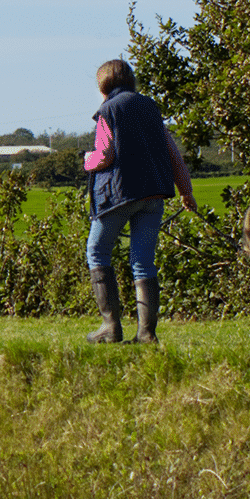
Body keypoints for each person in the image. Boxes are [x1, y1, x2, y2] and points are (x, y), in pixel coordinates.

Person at [83, 58, 197, 343]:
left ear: (103, 85)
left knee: (97, 252)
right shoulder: (150, 108)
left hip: (117, 195)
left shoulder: (108, 110)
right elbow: (173, 153)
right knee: (143, 263)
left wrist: (88, 160)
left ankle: (110, 327)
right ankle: (146, 334)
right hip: (154, 194)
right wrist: (186, 191)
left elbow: (105, 154)